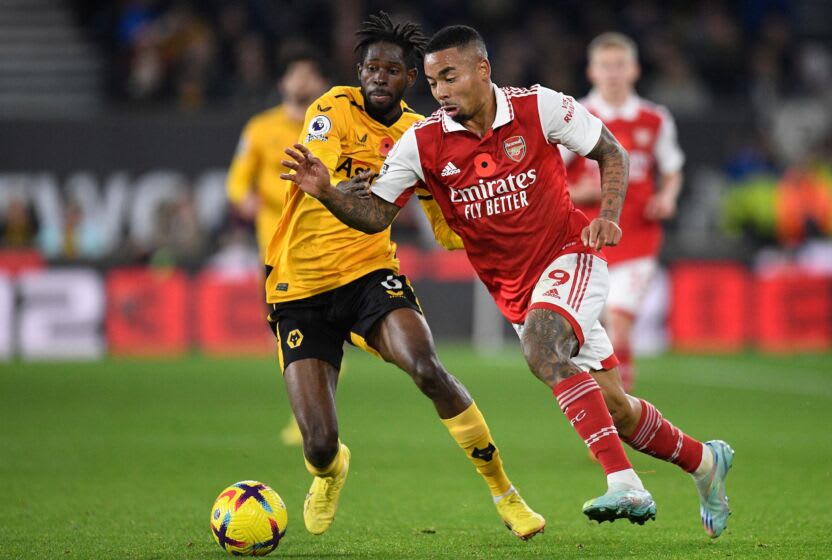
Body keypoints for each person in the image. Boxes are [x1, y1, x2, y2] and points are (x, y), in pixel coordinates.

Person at [282, 24, 734, 538]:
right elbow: (376, 215)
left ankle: (624, 482)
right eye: (433, 82)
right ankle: (705, 462)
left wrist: (608, 216)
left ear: (483, 69)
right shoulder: (421, 143)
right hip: (514, 290)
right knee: (617, 409)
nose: (441, 91)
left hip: (570, 255)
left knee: (542, 350)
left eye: (450, 77)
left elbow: (612, 151)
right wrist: (327, 192)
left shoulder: (539, 107)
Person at [269, 13, 545, 540]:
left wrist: (501, 223)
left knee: (426, 367)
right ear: (359, 73)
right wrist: (330, 187)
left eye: (391, 70)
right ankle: (330, 471)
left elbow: (446, 227)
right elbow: (320, 171)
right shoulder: (332, 107)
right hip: (299, 284)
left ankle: (504, 491)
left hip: (369, 274)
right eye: (371, 68)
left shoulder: (419, 136)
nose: (379, 77)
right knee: (319, 444)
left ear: (410, 78)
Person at [566, 33, 685, 392]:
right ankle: (604, 402)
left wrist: (667, 197)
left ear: (634, 70)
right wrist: (577, 192)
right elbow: (549, 176)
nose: (613, 73)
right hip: (586, 240)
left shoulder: (654, 118)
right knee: (590, 332)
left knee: (619, 323)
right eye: (605, 66)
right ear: (592, 71)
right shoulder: (575, 115)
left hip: (637, 238)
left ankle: (622, 408)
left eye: (620, 65)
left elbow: (672, 169)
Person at [226, 48, 330, 445]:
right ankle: (305, 410)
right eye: (296, 74)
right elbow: (238, 178)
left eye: (309, 74)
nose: (302, 81)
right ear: (284, 82)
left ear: (321, 84)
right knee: (286, 334)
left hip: (323, 242)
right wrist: (243, 198)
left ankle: (313, 414)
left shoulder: (330, 127)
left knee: (324, 329)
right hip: (274, 248)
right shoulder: (260, 128)